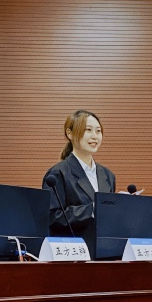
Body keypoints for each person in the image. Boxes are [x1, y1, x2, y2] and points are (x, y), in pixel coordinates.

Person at [42, 110, 116, 257]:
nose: (95, 136)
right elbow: (51, 217)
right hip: (74, 256)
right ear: (69, 133)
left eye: (98, 131)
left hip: (106, 255)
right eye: (88, 130)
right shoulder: (58, 173)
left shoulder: (107, 175)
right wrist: (91, 210)